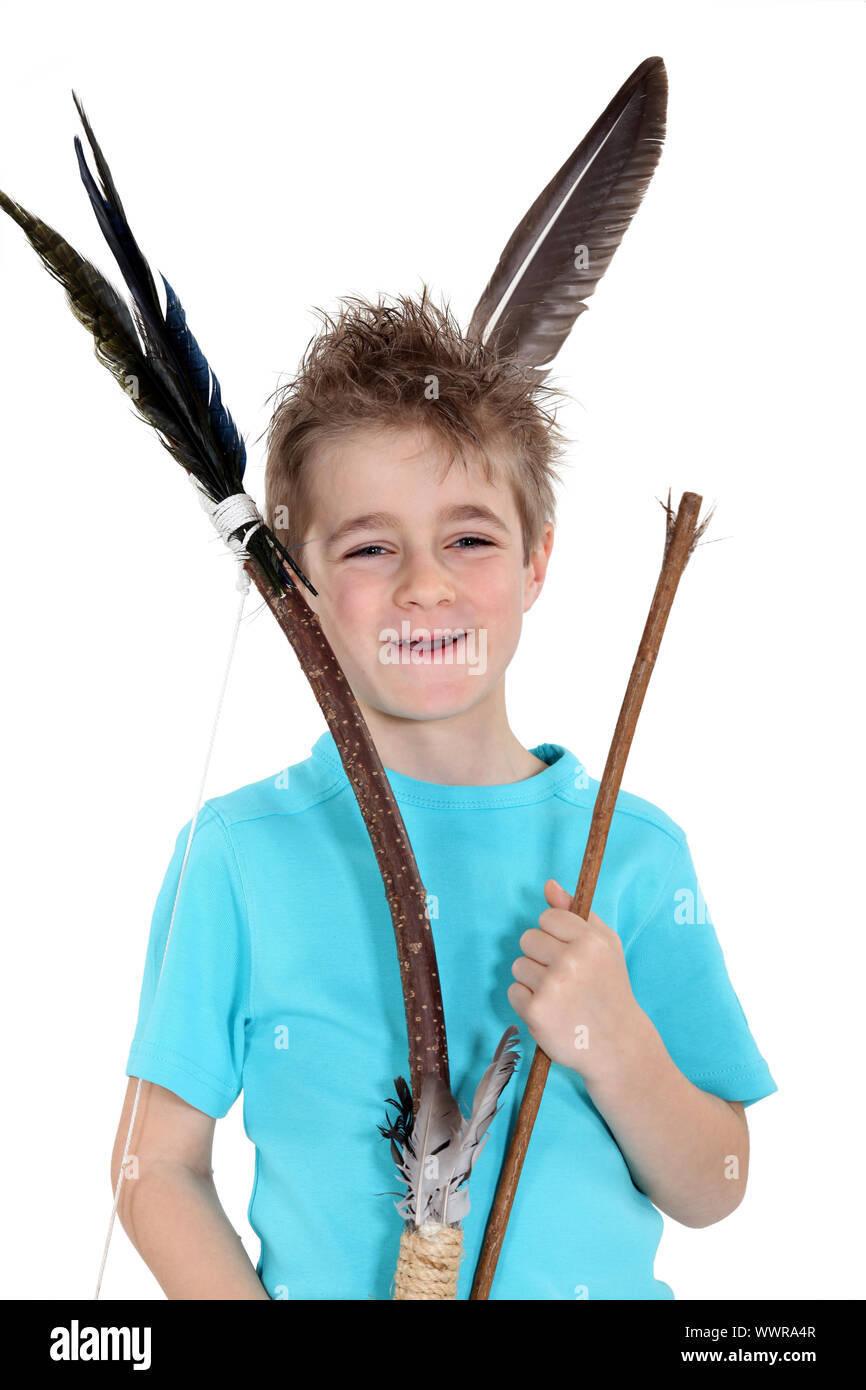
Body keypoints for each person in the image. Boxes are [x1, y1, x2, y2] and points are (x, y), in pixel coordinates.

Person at [113, 287, 777, 1300]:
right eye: (370, 546)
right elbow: (154, 1164)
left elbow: (713, 1185)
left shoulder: (634, 855)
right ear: (296, 582)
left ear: (535, 559)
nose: (425, 585)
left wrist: (615, 1044)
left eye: (467, 537)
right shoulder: (238, 855)